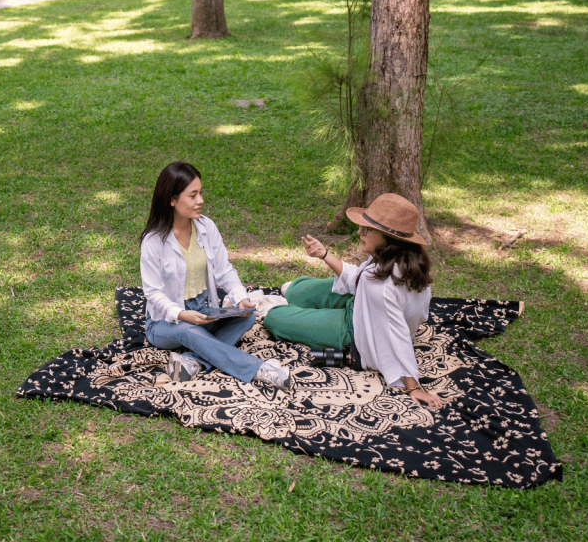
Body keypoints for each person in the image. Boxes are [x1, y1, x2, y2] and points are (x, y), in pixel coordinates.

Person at [263, 193, 445, 409]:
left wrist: (413, 386)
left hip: (359, 330)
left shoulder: (384, 289)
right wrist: (324, 254)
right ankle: (295, 297)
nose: (359, 231)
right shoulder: (400, 260)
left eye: (366, 229)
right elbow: (359, 280)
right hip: (360, 303)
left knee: (275, 318)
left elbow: (398, 335)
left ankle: (286, 309)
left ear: (388, 237)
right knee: (296, 291)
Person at [140, 162, 292, 393]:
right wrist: (182, 314)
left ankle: (192, 362)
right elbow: (153, 293)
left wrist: (240, 298)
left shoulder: (206, 227)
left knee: (247, 317)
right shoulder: (153, 241)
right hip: (165, 322)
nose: (200, 200)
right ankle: (261, 370)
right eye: (193, 195)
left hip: (203, 310)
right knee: (186, 330)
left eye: (200, 193)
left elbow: (224, 270)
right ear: (172, 199)